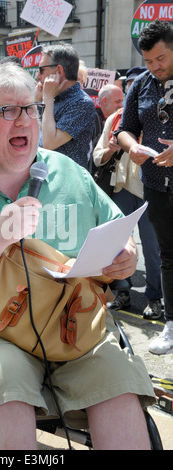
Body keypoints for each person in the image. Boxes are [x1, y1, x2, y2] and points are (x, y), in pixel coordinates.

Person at [0, 61, 155, 450]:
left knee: (117, 377)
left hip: (74, 317)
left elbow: (118, 234)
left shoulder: (69, 172)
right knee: (4, 376)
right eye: (7, 111)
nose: (24, 120)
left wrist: (123, 256)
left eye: (30, 108)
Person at [117, 20, 173, 355]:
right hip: (155, 183)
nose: (155, 67)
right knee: (168, 256)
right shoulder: (141, 84)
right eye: (149, 61)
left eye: (161, 59)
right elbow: (124, 129)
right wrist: (130, 147)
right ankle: (171, 325)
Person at [93, 66, 162, 319]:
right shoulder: (115, 119)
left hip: (148, 190)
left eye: (137, 86)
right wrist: (112, 148)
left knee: (152, 248)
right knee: (117, 246)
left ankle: (155, 298)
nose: (134, 90)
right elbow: (98, 157)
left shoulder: (158, 117)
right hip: (120, 189)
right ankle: (122, 292)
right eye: (129, 86)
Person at [35, 43, 96, 168]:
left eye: (42, 70)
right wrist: (37, 101)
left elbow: (49, 143)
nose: (38, 76)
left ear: (58, 71)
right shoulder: (52, 96)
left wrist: (47, 98)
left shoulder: (81, 103)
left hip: (66, 181)